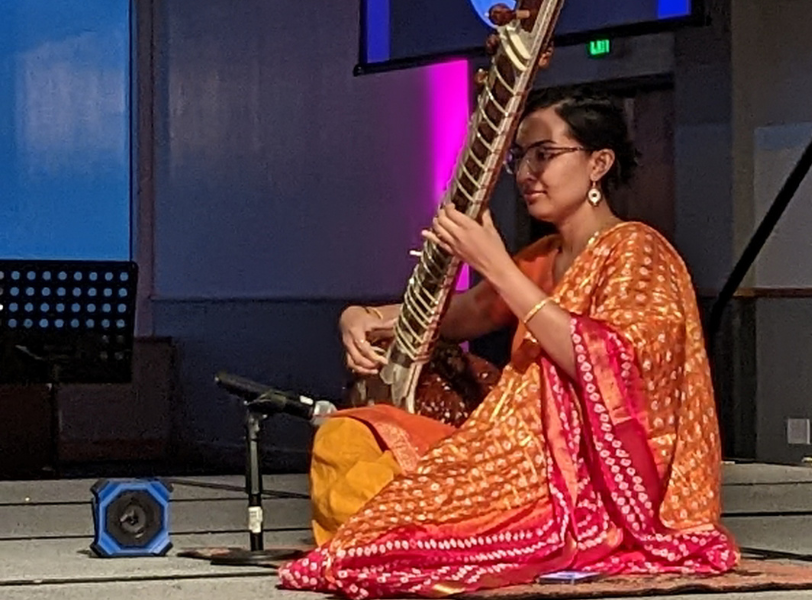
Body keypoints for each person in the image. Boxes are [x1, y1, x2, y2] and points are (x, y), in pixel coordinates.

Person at [279, 87, 739, 598]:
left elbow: (614, 368)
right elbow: (461, 314)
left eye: (545, 155)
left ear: (598, 164)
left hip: (583, 485)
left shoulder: (637, 250)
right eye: (520, 158)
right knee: (348, 438)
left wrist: (495, 263)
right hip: (507, 451)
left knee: (391, 525)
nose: (526, 173)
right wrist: (360, 316)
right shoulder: (545, 255)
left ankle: (417, 519)